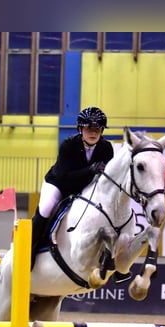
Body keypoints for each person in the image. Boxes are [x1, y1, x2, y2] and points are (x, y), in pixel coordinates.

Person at [30, 106, 114, 268]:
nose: (93, 132)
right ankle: (29, 251)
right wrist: (89, 171)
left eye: (98, 128)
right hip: (59, 184)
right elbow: (65, 178)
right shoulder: (68, 145)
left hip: (86, 187)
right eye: (89, 128)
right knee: (46, 208)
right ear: (80, 129)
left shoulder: (106, 148)